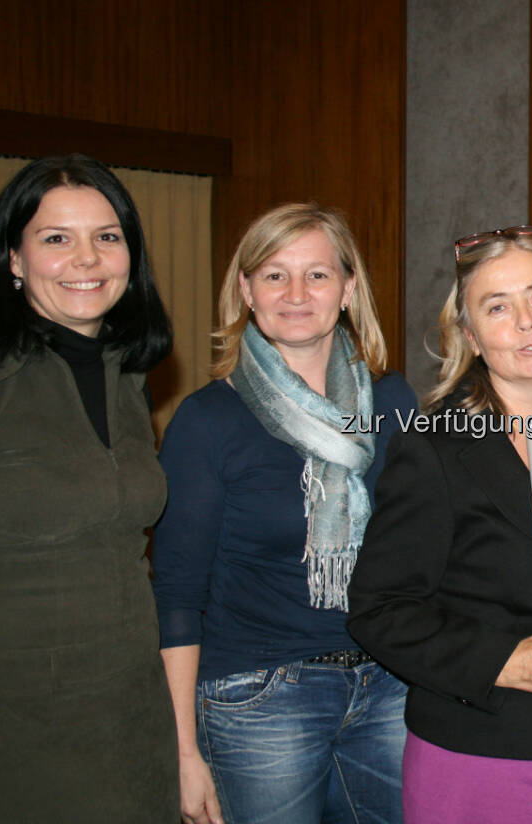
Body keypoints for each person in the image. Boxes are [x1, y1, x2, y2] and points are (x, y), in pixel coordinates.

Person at [0, 154, 176, 819]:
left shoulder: (131, 384)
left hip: (133, 727)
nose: (87, 258)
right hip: (6, 739)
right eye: (57, 238)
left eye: (107, 237)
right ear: (14, 259)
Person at [347, 226, 532, 823]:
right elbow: (378, 610)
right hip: (480, 752)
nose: (527, 322)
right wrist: (508, 661)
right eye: (497, 307)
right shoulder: (433, 447)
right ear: (471, 337)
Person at [151, 203, 417, 824]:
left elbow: (430, 544)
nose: (296, 293)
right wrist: (184, 751)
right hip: (259, 697)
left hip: (390, 685)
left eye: (317, 275)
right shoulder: (207, 419)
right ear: (245, 290)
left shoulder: (395, 400)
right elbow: (177, 594)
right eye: (274, 275)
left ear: (349, 289)